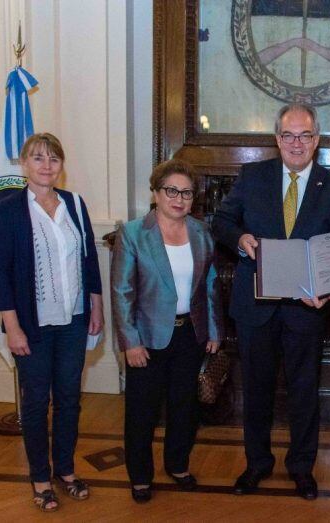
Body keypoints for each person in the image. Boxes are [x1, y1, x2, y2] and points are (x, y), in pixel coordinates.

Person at [211, 103, 330, 500]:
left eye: (305, 135)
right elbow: (222, 221)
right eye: (288, 135)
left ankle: (302, 468)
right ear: (276, 139)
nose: (296, 143)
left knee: (305, 393)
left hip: (307, 309)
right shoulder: (253, 176)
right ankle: (256, 464)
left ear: (317, 140)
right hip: (257, 306)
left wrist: (329, 287)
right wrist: (239, 240)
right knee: (256, 391)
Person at [0, 133, 103, 512]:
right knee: (37, 403)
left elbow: (89, 260)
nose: (46, 165)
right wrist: (12, 325)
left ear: (61, 165)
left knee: (70, 399)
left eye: (53, 158)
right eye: (38, 158)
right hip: (31, 325)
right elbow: (0, 274)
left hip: (73, 320)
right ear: (24, 163)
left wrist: (97, 306)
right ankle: (40, 477)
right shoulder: (8, 209)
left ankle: (65, 471)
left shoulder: (74, 203)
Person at [111, 159, 223, 503]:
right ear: (156, 192)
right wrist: (130, 341)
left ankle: (177, 464)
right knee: (142, 412)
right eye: (171, 191)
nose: (179, 199)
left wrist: (214, 330)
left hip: (190, 334)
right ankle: (141, 477)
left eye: (187, 193)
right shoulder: (132, 233)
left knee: (184, 407)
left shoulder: (201, 232)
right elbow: (122, 292)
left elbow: (211, 285)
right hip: (147, 339)